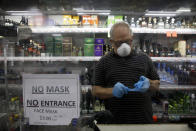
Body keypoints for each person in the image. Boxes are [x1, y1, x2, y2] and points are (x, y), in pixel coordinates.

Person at [92, 22, 160, 124]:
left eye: (127, 42)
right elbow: (95, 90)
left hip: (143, 120)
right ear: (111, 41)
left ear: (132, 39)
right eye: (119, 43)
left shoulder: (144, 58)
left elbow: (157, 84)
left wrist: (149, 83)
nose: (124, 46)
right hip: (115, 122)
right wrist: (112, 91)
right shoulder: (104, 62)